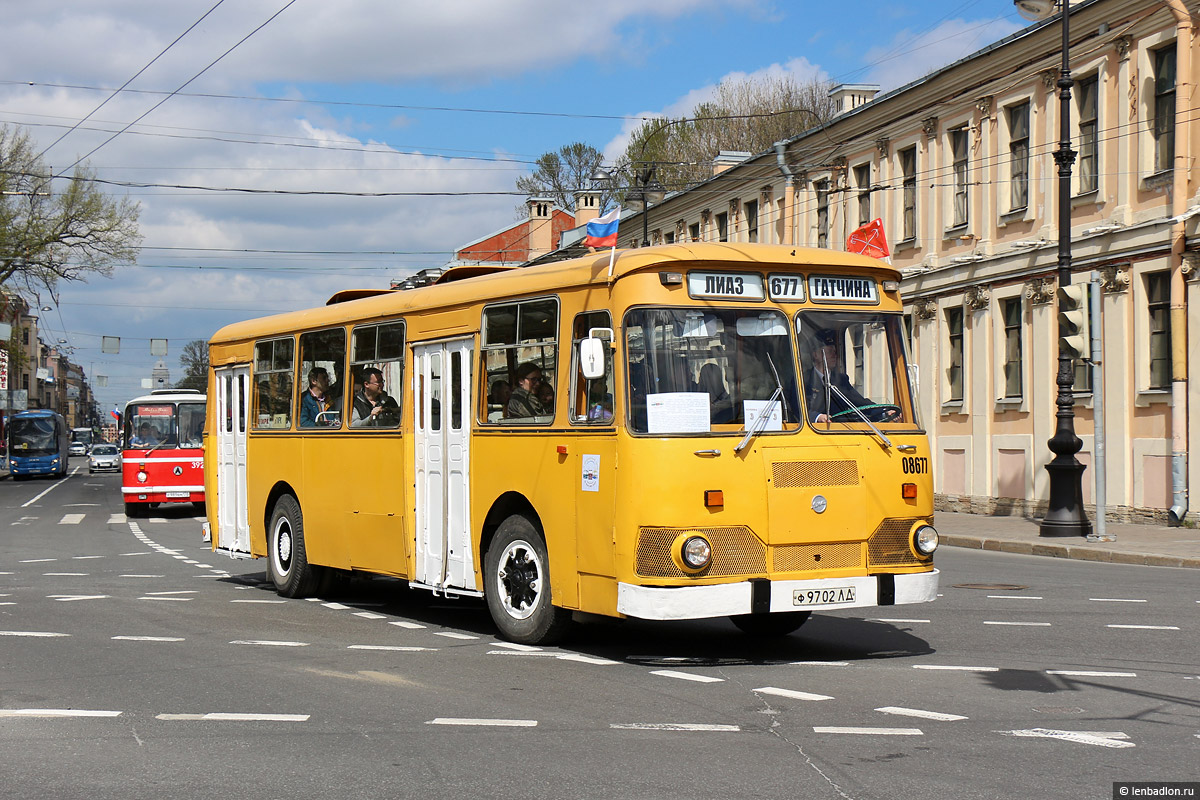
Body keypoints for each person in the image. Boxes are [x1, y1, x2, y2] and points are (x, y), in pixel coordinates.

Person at [806, 329, 896, 423]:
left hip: (841, 431)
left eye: (835, 351)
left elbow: (859, 402)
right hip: (814, 432)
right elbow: (798, 410)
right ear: (815, 354)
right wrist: (818, 417)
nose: (834, 355)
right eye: (829, 351)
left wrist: (883, 412)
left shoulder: (840, 380)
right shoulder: (804, 380)